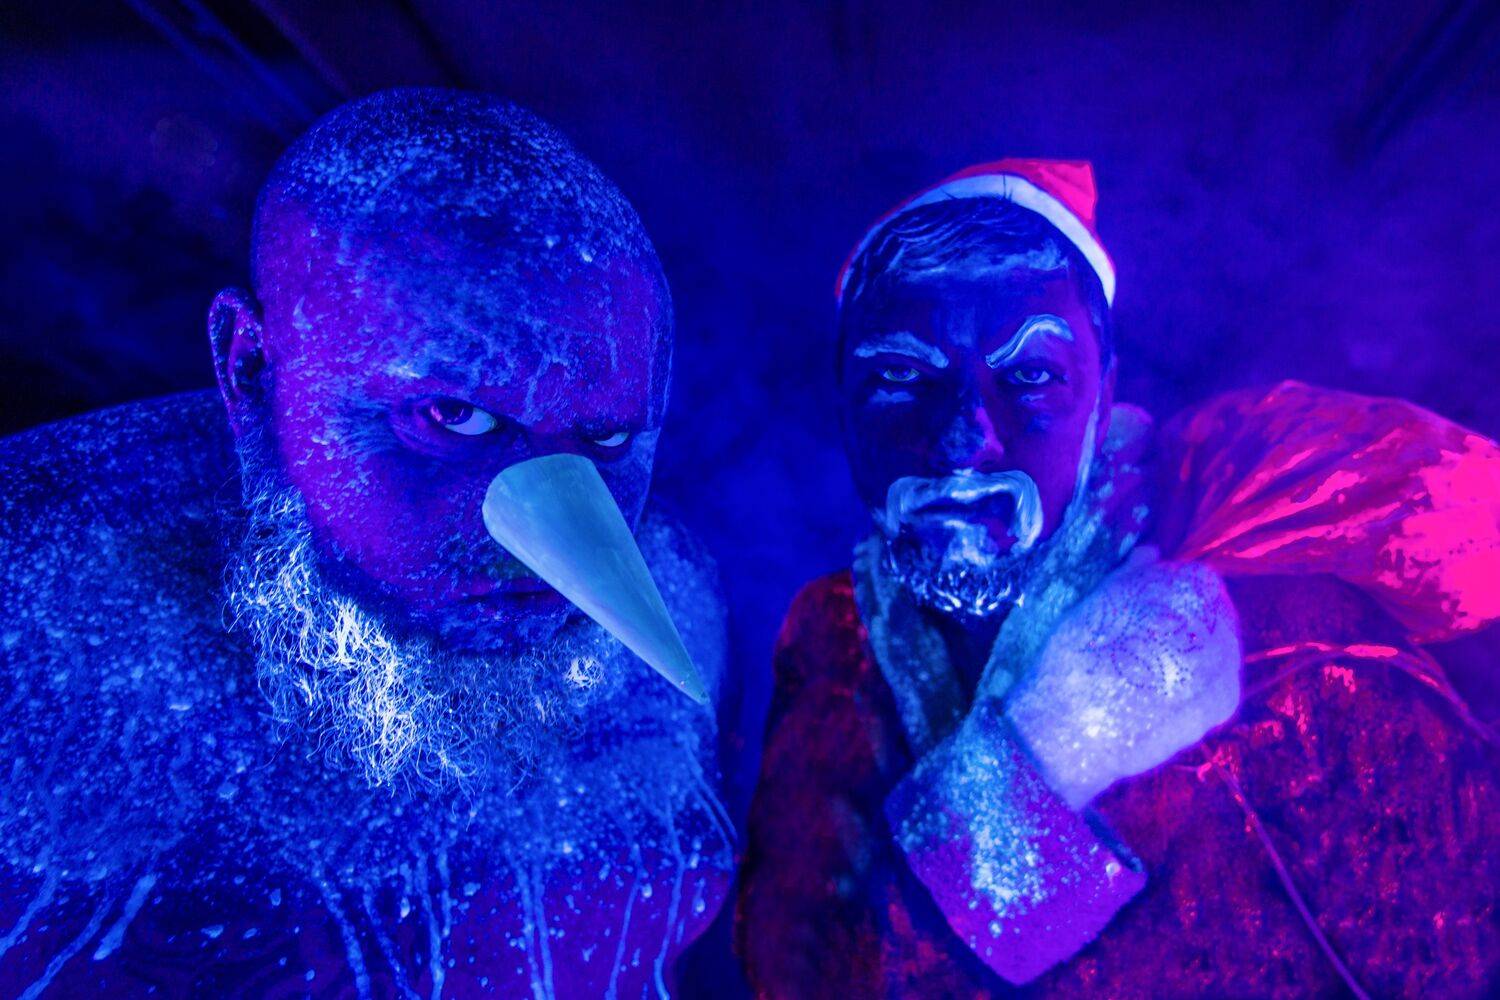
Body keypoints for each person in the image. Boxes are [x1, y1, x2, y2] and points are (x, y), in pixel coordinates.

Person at [0, 88, 733, 997]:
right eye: (454, 416)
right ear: (250, 368)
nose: (552, 544)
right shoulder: (29, 621)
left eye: (607, 438)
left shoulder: (676, 597)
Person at [736, 159, 1500, 997]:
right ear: (843, 405)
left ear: (1103, 399)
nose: (962, 439)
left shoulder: (1302, 651)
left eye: (1030, 376)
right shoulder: (835, 634)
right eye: (900, 378)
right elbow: (796, 968)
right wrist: (1046, 751)